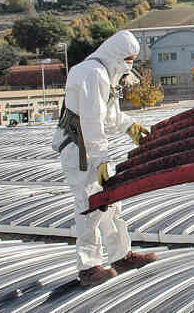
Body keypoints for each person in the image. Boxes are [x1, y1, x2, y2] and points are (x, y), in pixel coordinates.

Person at [52, 30, 157, 287]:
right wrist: (100, 161)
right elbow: (91, 124)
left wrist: (130, 125)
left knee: (110, 202)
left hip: (91, 147)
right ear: (116, 55)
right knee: (90, 205)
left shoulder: (104, 74)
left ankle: (121, 256)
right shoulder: (92, 73)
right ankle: (89, 268)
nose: (128, 66)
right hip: (79, 148)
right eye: (128, 59)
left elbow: (110, 116)